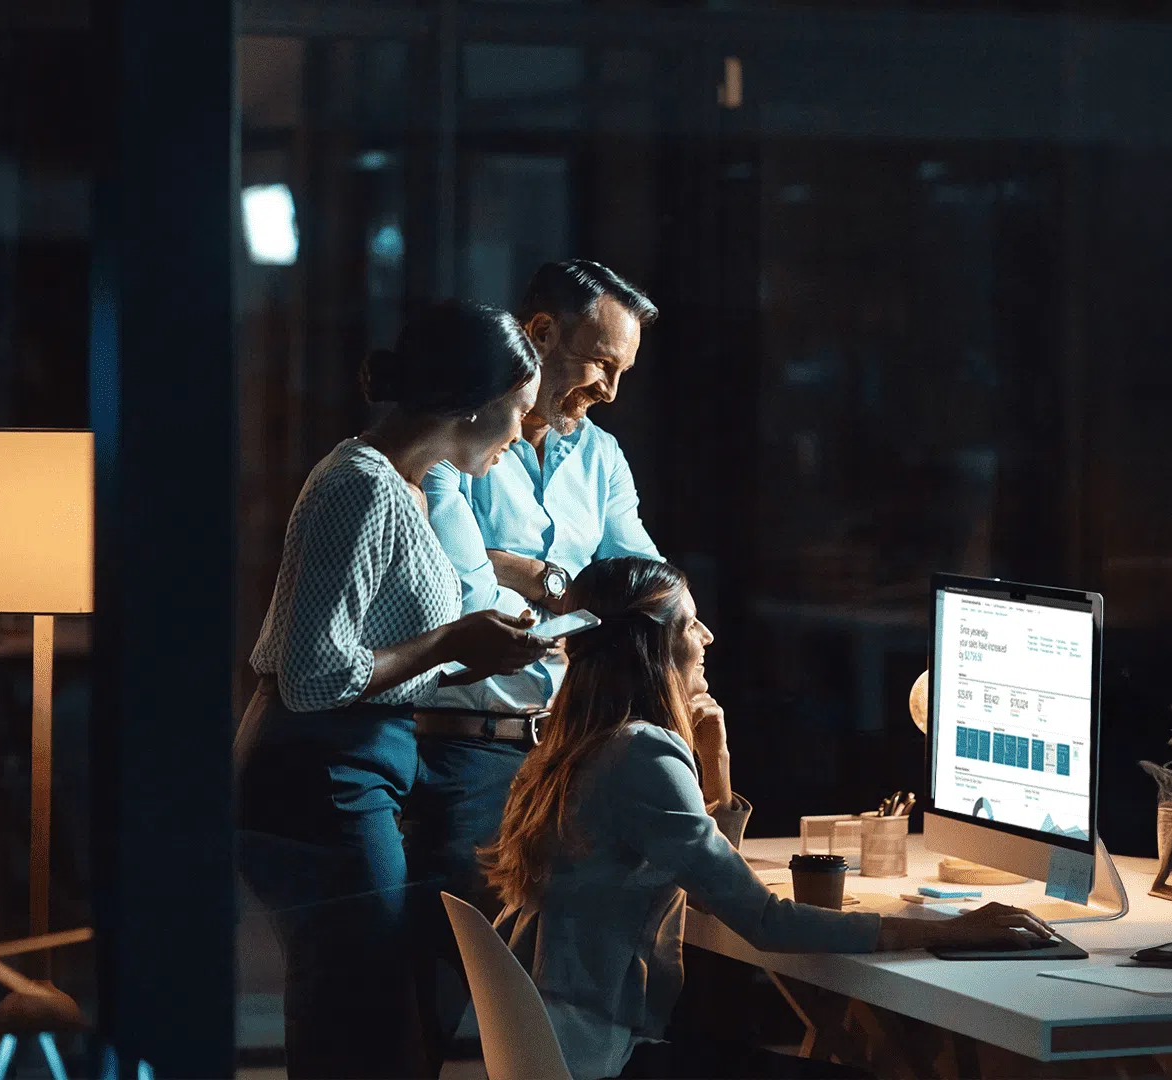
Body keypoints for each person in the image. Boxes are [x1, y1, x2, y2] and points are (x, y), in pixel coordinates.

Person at [484, 557, 1057, 1080]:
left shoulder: (577, 743)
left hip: (556, 1047)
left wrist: (717, 766)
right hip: (606, 1058)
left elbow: (706, 889)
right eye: (689, 625)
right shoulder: (640, 752)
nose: (707, 637)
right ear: (651, 649)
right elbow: (767, 922)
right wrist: (952, 930)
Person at [235, 300, 559, 1079]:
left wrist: (471, 654)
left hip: (355, 772)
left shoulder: (413, 489)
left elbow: (379, 647)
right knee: (356, 1012)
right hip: (316, 778)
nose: (520, 434)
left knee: (357, 1001)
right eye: (517, 412)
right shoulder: (359, 485)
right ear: (476, 404)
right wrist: (452, 640)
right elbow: (314, 675)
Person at [416, 260, 663, 919]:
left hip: (567, 754)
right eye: (602, 364)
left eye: (623, 373)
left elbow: (646, 589)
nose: (610, 390)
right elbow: (459, 591)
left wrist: (520, 570)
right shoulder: (453, 443)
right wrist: (556, 582)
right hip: (469, 751)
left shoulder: (601, 456)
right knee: (462, 978)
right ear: (544, 332)